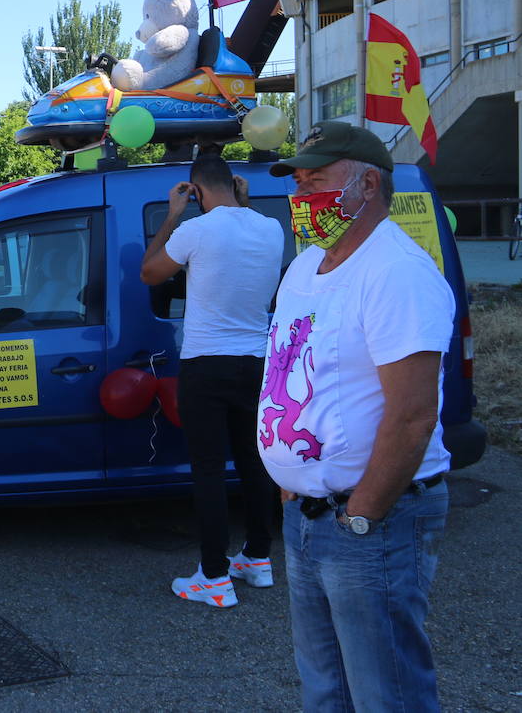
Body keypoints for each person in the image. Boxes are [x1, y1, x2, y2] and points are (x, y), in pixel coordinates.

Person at [260, 122, 453, 710]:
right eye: (296, 181)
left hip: (371, 520)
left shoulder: (396, 270)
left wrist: (363, 515)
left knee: (385, 692)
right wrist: (293, 485)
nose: (300, 194)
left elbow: (414, 414)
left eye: (315, 179)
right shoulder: (306, 265)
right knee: (324, 686)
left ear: (368, 184)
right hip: (310, 515)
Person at [141, 155, 284, 608]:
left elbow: (149, 273)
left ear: (196, 191)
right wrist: (242, 203)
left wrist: (171, 216)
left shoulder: (194, 230)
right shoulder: (271, 229)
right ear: (235, 186)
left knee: (207, 470)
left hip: (206, 363)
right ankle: (258, 559)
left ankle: (214, 577)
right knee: (254, 463)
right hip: (257, 362)